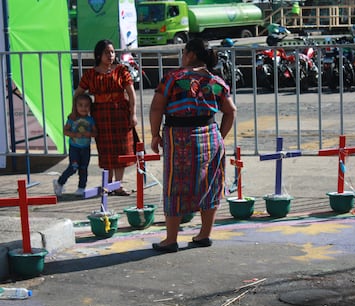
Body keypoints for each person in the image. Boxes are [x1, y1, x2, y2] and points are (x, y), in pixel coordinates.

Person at [150, 38, 237, 253]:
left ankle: (171, 239)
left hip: (179, 137)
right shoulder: (214, 80)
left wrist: (154, 135)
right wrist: (220, 136)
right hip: (210, 136)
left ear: (190, 54)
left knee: (175, 186)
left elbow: (156, 108)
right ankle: (204, 235)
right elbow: (230, 111)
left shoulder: (173, 78)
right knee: (209, 185)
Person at [73, 39, 138, 196]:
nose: (110, 55)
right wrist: (77, 112)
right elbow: (78, 93)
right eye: (106, 52)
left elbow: (131, 93)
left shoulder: (121, 70)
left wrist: (133, 113)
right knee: (106, 151)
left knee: (121, 149)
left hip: (120, 114)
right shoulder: (91, 74)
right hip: (101, 116)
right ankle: (108, 185)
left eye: (112, 52)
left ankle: (118, 185)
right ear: (98, 55)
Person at [53, 94, 97, 197]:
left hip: (85, 148)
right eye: (80, 105)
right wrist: (74, 134)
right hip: (75, 148)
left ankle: (81, 187)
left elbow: (96, 133)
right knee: (73, 167)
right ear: (75, 106)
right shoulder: (72, 119)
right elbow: (65, 131)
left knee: (83, 168)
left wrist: (89, 134)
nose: (83, 108)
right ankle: (59, 183)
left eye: (86, 106)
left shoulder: (91, 120)